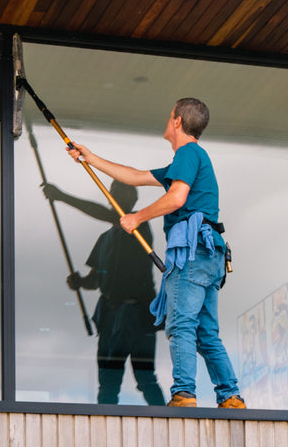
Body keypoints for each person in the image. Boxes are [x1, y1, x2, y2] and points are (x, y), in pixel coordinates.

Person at [68, 98, 246, 410]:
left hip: (190, 255)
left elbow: (176, 198)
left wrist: (137, 218)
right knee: (205, 330)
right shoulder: (187, 161)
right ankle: (230, 397)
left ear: (177, 121)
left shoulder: (188, 153)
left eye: (169, 116)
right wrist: (90, 158)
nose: (167, 120)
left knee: (180, 325)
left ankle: (184, 395)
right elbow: (135, 176)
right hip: (209, 255)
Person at [41, 178, 166, 406]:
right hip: (110, 316)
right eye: (111, 193)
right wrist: (80, 282)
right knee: (108, 381)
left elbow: (110, 216)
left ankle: (168, 425)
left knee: (145, 378)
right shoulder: (104, 240)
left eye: (119, 193)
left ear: (133, 198)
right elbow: (95, 280)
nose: (114, 198)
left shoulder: (140, 225)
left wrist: (63, 197)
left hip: (138, 316)